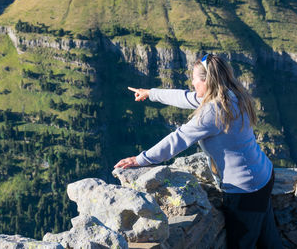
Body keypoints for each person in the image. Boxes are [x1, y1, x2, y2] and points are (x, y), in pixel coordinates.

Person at [114, 54, 283, 249]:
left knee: (242, 244)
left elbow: (178, 139)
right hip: (263, 175)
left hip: (244, 190)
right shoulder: (230, 94)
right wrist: (151, 93)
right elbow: (184, 97)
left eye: (195, 78)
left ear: (207, 81)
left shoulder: (214, 111)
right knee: (268, 239)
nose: (192, 82)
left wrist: (141, 159)